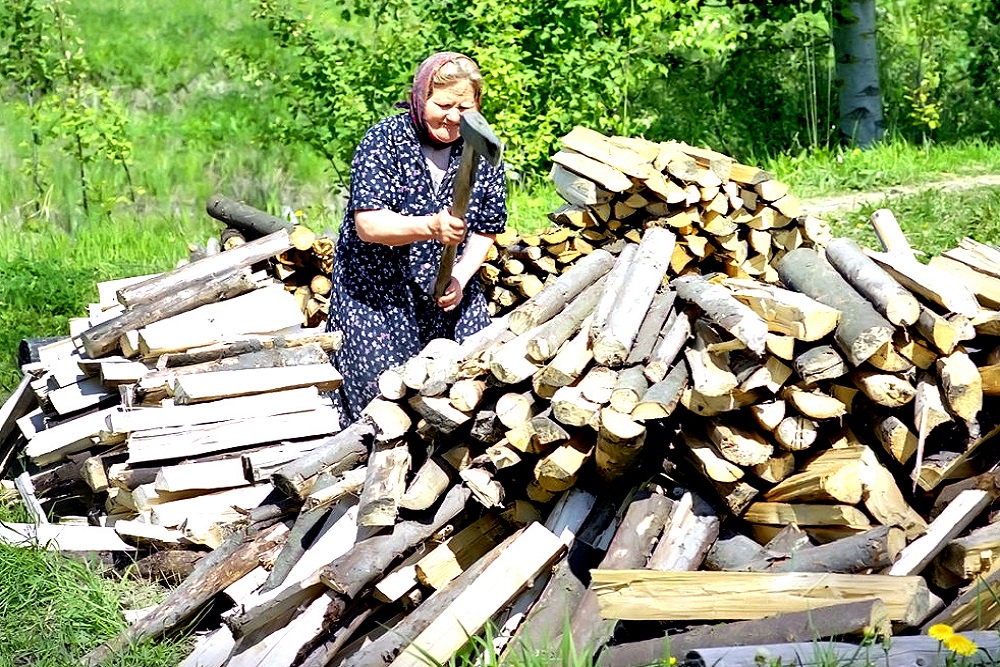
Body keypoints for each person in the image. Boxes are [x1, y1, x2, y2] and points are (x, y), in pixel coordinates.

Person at [325, 52, 508, 424]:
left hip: (447, 295)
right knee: (382, 409)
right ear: (420, 97)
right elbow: (369, 225)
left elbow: (488, 225)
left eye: (466, 107)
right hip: (377, 298)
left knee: (476, 389)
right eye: (443, 105)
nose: (454, 118)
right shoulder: (386, 141)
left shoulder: (479, 148)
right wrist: (430, 227)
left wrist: (461, 276)